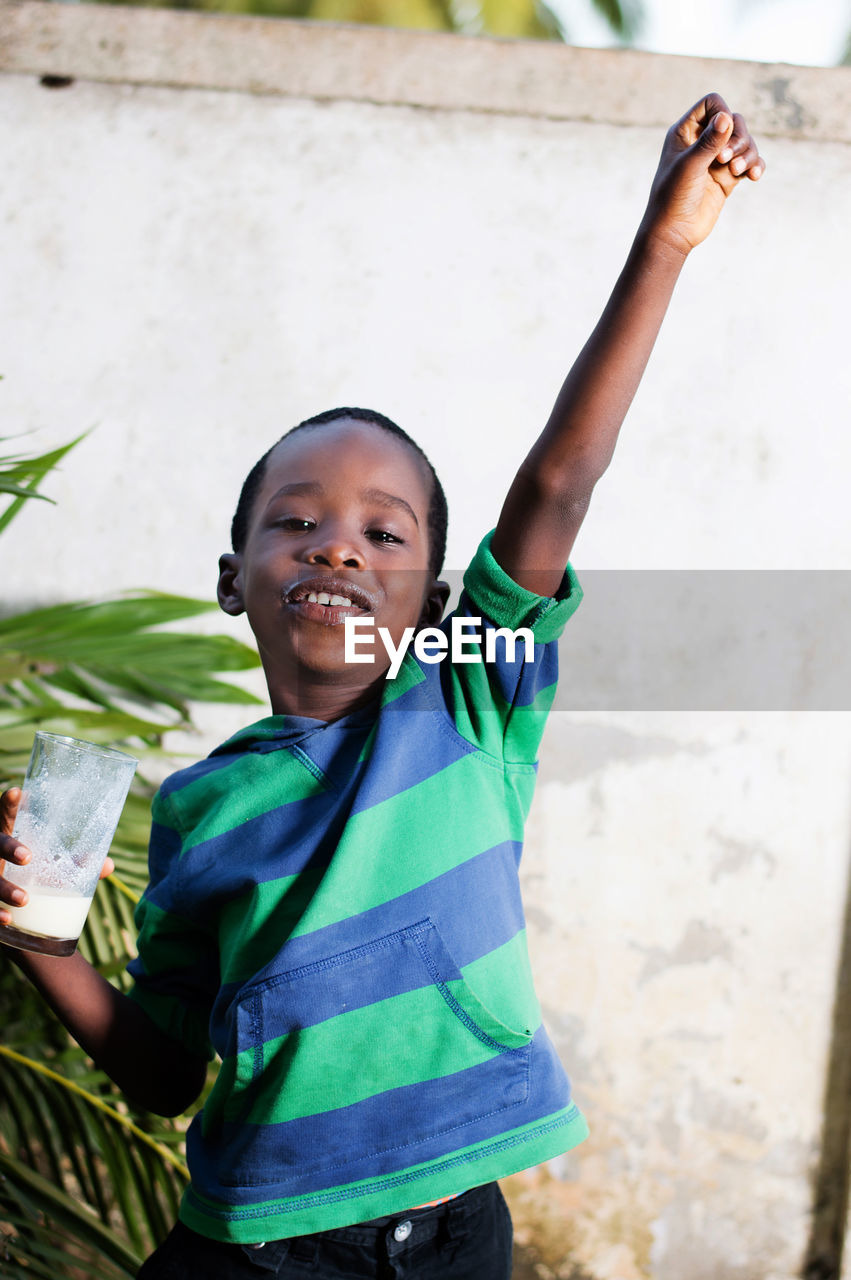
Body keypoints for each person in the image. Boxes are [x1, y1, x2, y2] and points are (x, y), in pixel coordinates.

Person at [0, 94, 763, 1278]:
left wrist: (660, 245)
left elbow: (556, 486)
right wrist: (35, 938)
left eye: (383, 532)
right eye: (295, 521)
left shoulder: (468, 698)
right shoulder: (204, 810)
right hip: (254, 1245)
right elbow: (160, 1073)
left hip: (457, 1236)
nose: (338, 546)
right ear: (231, 578)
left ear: (440, 597)